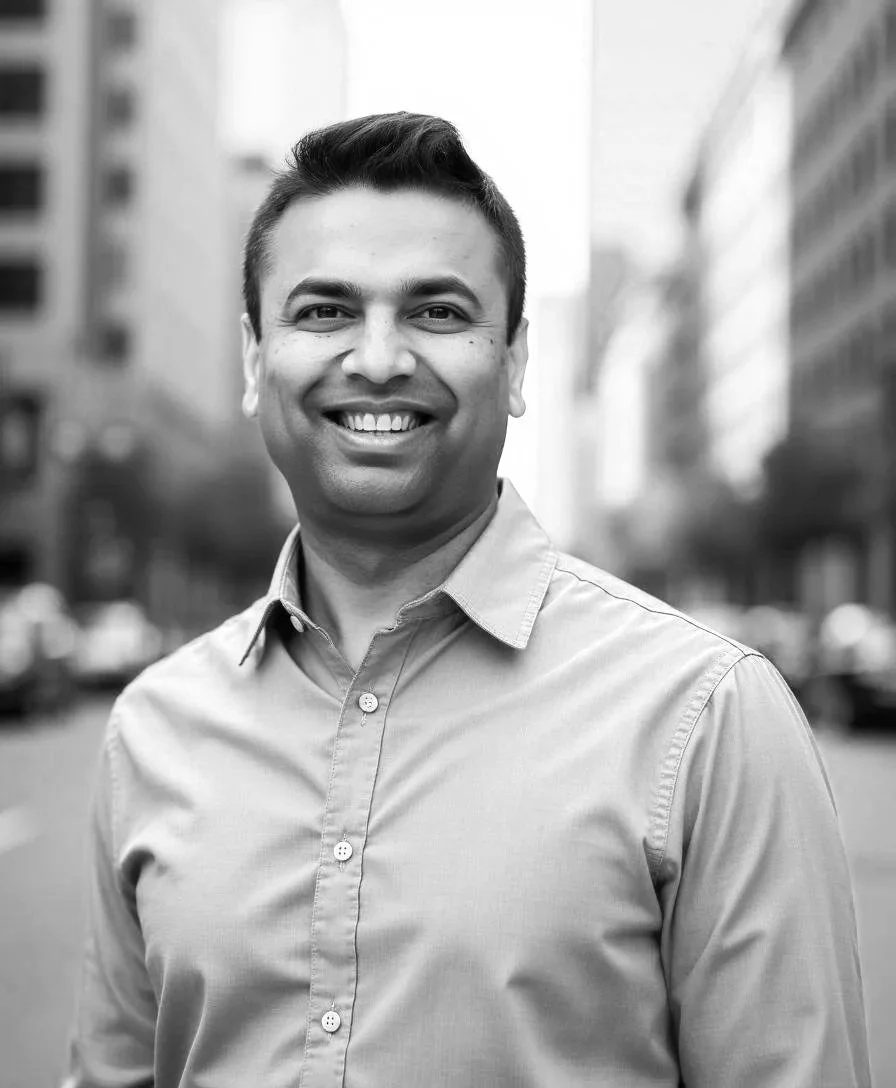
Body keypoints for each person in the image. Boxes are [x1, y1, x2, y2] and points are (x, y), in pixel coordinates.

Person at [64, 112, 872, 1088]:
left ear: (516, 361)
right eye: (322, 310)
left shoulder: (707, 718)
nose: (375, 357)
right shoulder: (153, 728)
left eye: (436, 312)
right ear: (252, 358)